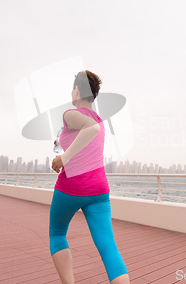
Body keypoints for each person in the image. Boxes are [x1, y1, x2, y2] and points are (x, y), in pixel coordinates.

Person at [49, 70, 130, 284]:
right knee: (108, 247)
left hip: (71, 188)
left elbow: (89, 128)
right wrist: (62, 144)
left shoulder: (69, 114)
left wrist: (64, 157)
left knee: (57, 234)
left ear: (76, 90)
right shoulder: (100, 121)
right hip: (99, 191)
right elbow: (90, 130)